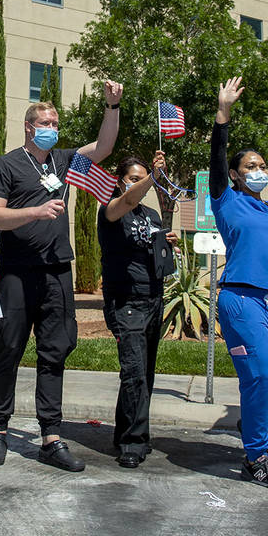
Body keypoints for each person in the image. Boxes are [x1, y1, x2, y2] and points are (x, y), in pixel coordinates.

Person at [0, 80, 123, 471]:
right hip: (17, 272)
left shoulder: (64, 161)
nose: (52, 128)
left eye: (55, 122)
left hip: (57, 271)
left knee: (53, 352)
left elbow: (104, 147)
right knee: (8, 348)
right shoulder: (6, 165)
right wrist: (34, 212)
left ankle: (51, 436)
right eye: (45, 122)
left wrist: (112, 107)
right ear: (29, 127)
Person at [210, 77, 268, 490]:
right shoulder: (227, 200)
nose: (260, 171)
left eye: (264, 166)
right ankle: (257, 457)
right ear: (235, 174)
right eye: (251, 166)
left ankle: (254, 424)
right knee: (262, 376)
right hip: (241, 300)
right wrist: (223, 113)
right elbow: (217, 155)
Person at [97, 151, 179, 468]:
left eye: (141, 177)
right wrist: (151, 178)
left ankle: (126, 432)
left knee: (144, 372)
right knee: (133, 373)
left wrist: (166, 243)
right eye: (133, 177)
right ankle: (133, 442)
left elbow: (154, 251)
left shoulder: (152, 216)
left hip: (153, 296)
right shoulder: (112, 208)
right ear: (120, 181)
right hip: (125, 300)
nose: (139, 183)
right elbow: (128, 202)